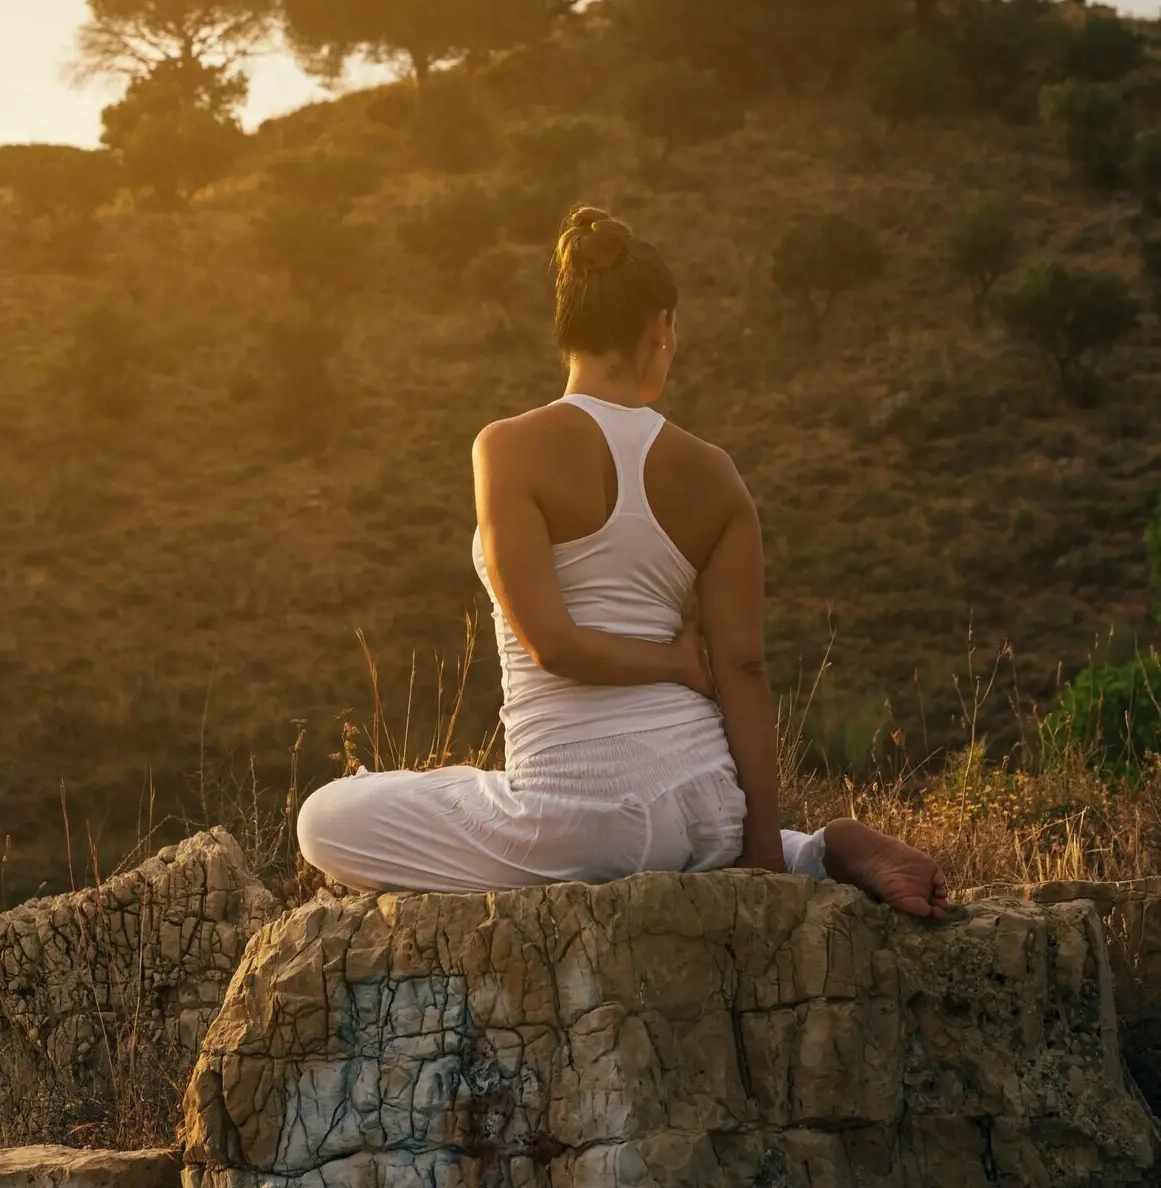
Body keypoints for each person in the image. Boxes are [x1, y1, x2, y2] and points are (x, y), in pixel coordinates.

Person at [298, 205, 947, 918]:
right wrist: (757, 844)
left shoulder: (506, 447)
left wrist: (671, 664)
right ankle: (810, 850)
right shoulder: (715, 474)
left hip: (576, 814)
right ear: (658, 329)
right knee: (689, 834)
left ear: (567, 328)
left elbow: (553, 646)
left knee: (324, 819)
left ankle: (800, 848)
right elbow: (743, 668)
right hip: (706, 806)